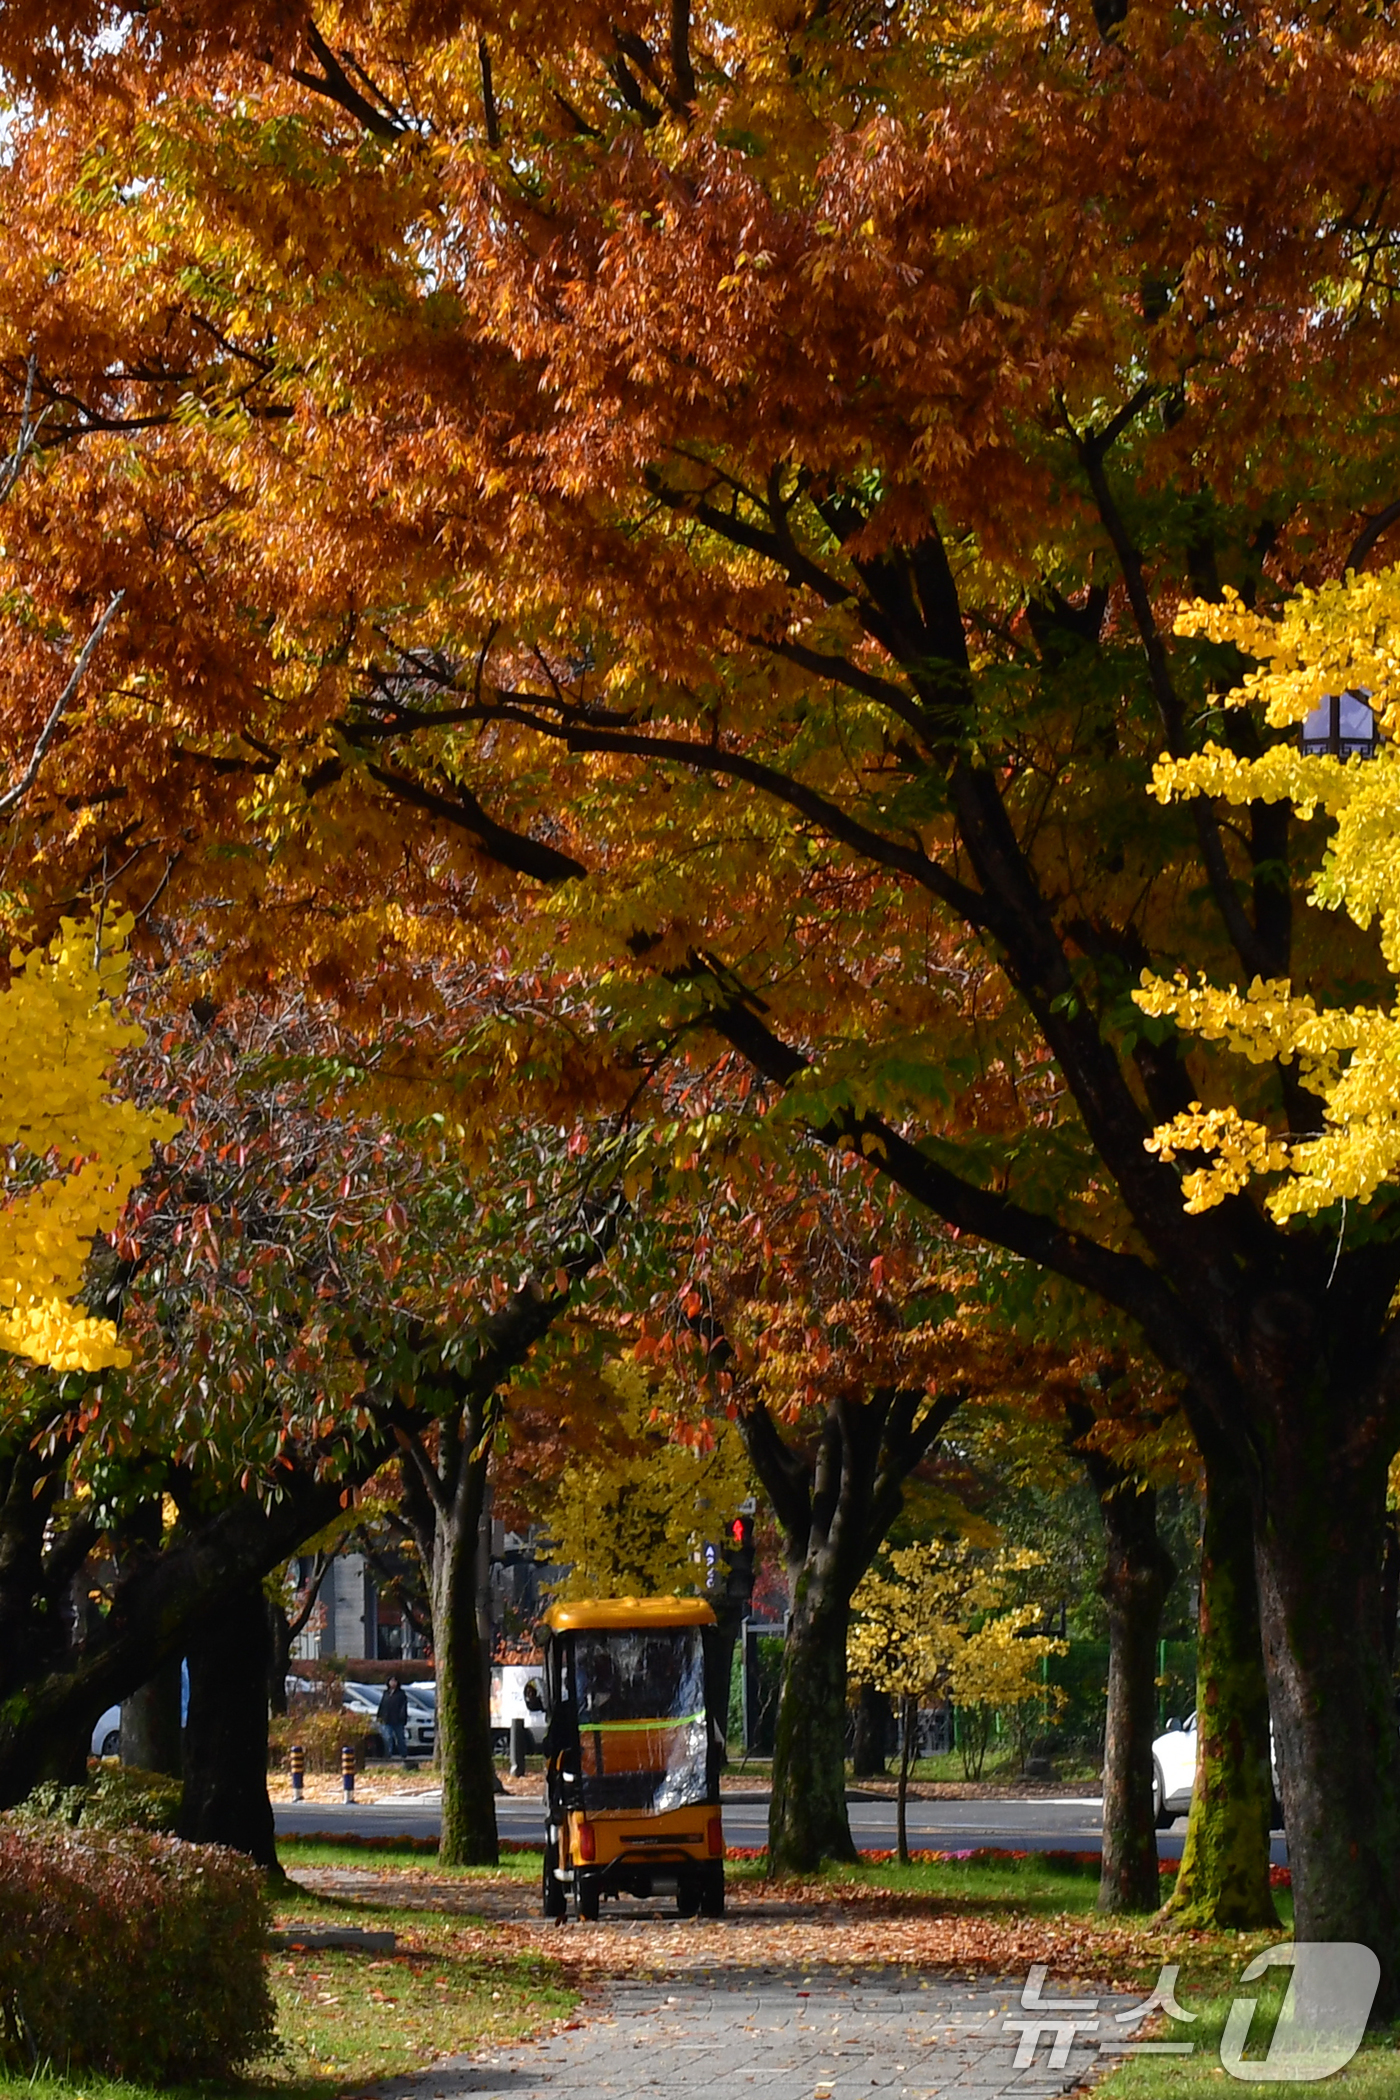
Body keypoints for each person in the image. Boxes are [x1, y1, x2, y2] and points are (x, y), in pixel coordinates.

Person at [377, 1674, 409, 1760]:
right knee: (387, 1737)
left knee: (400, 1738)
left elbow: (404, 1707)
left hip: (397, 1720)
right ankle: (388, 1754)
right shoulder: (386, 1693)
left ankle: (403, 1754)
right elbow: (382, 1705)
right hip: (386, 1719)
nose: (393, 1683)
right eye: (391, 1681)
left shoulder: (401, 1694)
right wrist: (379, 1716)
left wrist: (402, 1717)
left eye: (394, 1681)